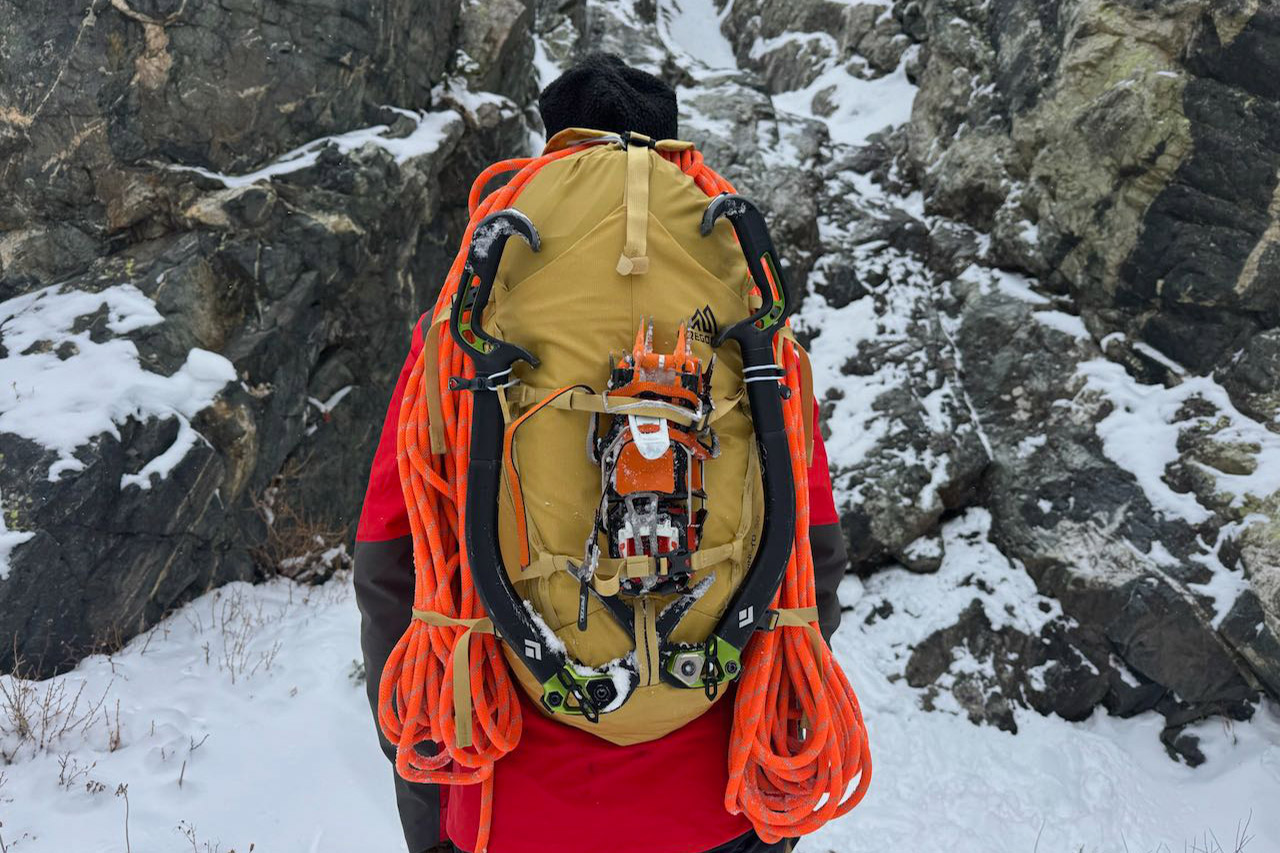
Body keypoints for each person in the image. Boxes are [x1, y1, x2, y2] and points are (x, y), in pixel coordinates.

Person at [354, 53, 851, 853]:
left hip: (512, 809)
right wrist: (767, 807)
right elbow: (810, 554)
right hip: (714, 807)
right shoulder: (749, 311)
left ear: (554, 145)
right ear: (671, 146)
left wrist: (434, 806)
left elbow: (388, 561)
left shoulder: (467, 312)